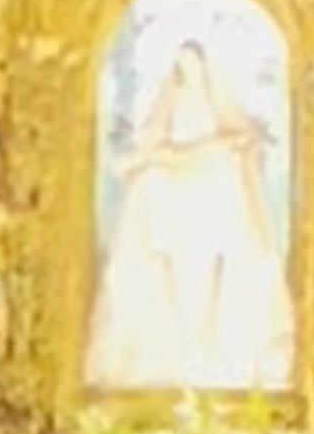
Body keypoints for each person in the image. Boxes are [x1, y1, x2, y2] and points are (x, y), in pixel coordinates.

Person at [88, 22, 294, 390]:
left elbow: (233, 145)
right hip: (173, 212)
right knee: (167, 285)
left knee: (216, 292)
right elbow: (141, 153)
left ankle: (213, 362)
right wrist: (163, 156)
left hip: (213, 212)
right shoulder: (159, 160)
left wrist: (173, 158)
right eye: (180, 73)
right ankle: (169, 363)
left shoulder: (227, 149)